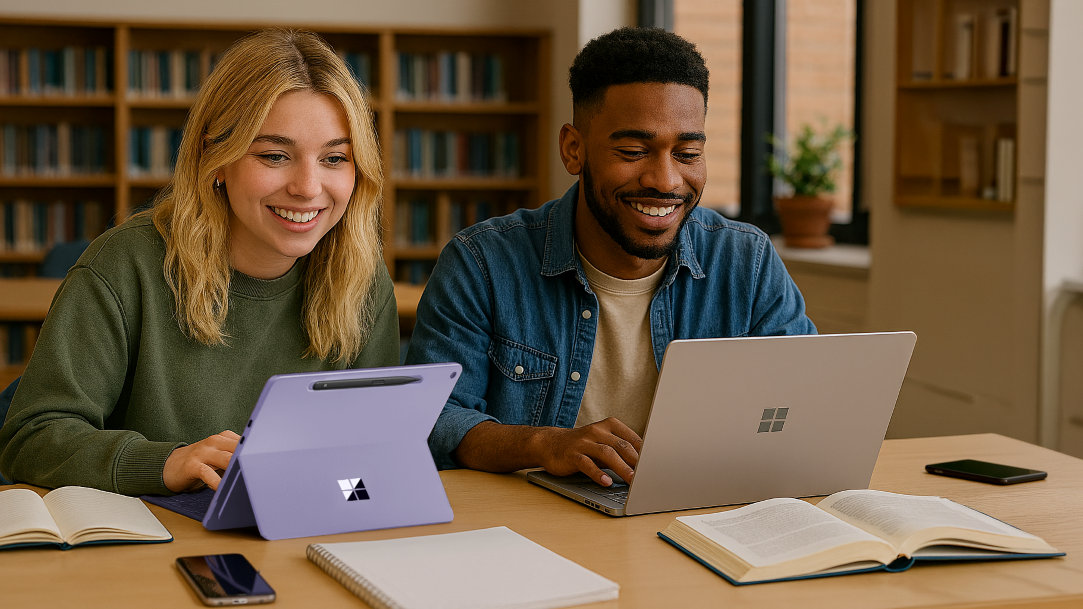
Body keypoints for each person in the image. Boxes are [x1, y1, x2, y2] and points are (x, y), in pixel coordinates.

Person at [405, 27, 816, 487]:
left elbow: (807, 406)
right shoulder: (480, 262)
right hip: (534, 528)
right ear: (573, 149)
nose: (666, 180)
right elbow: (435, 420)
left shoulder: (748, 261)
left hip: (702, 514)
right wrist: (545, 444)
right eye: (633, 151)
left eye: (687, 153)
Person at [0, 29, 399, 496]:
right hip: (150, 540)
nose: (308, 187)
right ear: (216, 158)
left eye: (335, 158)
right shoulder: (126, 265)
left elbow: (376, 454)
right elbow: (32, 437)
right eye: (274, 155)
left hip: (302, 530)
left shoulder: (362, 279)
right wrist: (164, 463)